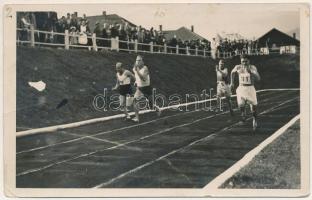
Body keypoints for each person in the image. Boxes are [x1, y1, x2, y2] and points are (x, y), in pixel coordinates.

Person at [230, 54, 261, 131]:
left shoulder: (252, 67)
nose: (244, 63)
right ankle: (243, 114)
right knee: (241, 104)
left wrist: (251, 72)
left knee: (253, 108)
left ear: (249, 61)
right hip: (241, 88)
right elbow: (232, 72)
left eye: (246, 61)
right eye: (242, 61)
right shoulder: (238, 67)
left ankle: (255, 120)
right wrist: (232, 83)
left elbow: (258, 78)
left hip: (250, 88)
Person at [132, 55, 161, 122]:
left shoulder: (145, 68)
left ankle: (157, 109)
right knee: (134, 100)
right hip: (139, 88)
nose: (137, 62)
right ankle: (137, 118)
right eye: (137, 60)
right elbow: (136, 76)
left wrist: (137, 71)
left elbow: (143, 79)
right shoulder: (134, 68)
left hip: (147, 88)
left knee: (151, 106)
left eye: (139, 60)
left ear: (142, 62)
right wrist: (136, 81)